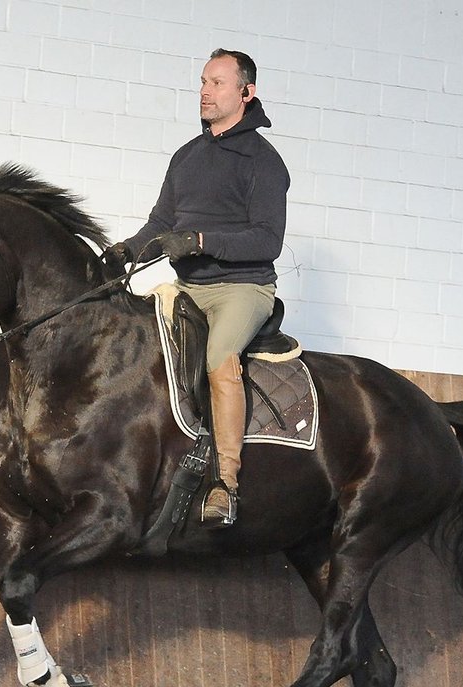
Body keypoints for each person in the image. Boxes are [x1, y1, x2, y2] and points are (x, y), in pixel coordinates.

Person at [102, 48, 290, 528]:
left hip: (241, 289)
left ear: (246, 93)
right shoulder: (187, 156)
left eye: (218, 84)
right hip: (187, 286)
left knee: (219, 362)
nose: (205, 92)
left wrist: (203, 240)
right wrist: (124, 250)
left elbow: (268, 240)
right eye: (203, 82)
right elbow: (161, 222)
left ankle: (225, 483)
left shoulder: (264, 163)